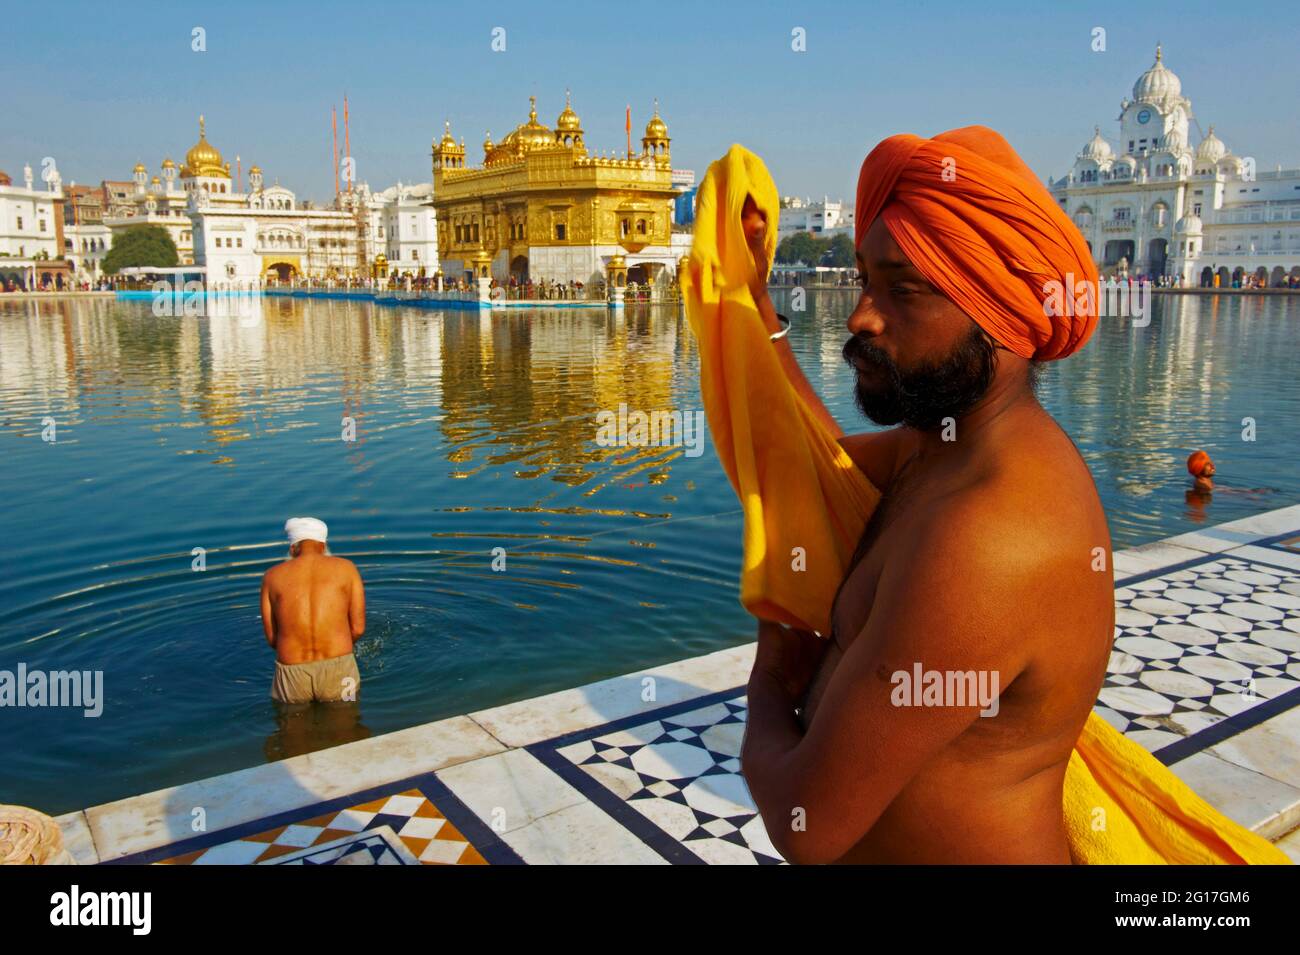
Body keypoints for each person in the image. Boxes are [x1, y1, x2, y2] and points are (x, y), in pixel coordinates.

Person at [739, 126, 1114, 864]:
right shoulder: (942, 446)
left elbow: (806, 824)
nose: (860, 317)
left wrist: (769, 681)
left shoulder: (989, 535)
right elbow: (808, 463)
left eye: (903, 290)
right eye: (864, 281)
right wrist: (754, 304)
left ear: (1002, 314)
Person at [260, 517, 365, 704]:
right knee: (347, 726)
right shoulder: (347, 569)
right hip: (340, 670)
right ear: (323, 545)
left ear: (293, 548)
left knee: (291, 729)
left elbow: (272, 638)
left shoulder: (272, 576)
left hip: (292, 672)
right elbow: (357, 629)